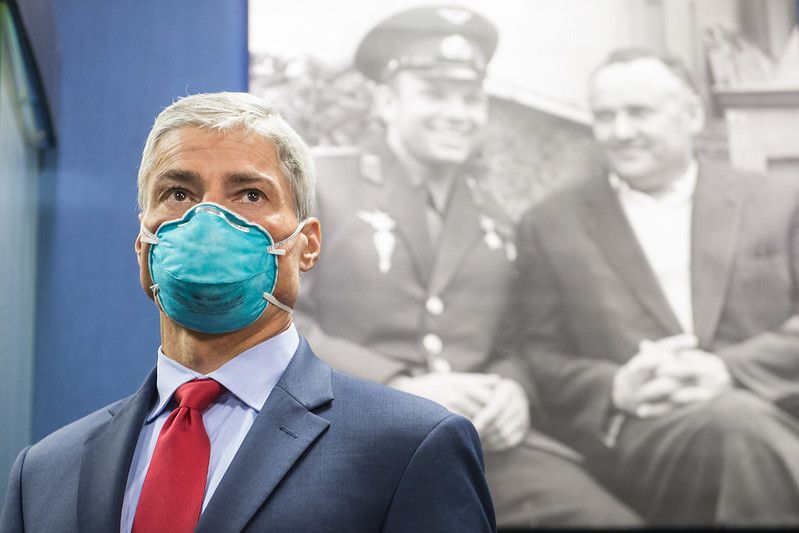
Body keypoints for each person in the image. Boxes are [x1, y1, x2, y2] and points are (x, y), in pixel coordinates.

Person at [0, 92, 496, 533]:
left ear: (307, 245)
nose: (209, 219)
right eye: (178, 194)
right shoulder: (43, 474)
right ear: (142, 242)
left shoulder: (410, 449)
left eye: (250, 194)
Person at [295, 6, 640, 528]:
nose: (458, 113)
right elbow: (273, 324)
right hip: (344, 437)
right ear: (387, 101)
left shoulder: (493, 217)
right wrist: (398, 387)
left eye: (471, 98)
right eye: (435, 94)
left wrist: (511, 391)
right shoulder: (317, 187)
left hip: (474, 445)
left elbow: (509, 341)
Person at [509, 48, 799, 526]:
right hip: (644, 436)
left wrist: (728, 371)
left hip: (771, 408)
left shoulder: (776, 202)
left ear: (691, 114)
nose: (621, 132)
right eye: (605, 116)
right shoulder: (550, 224)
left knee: (741, 426)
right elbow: (536, 352)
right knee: (737, 431)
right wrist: (616, 387)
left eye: (639, 112)